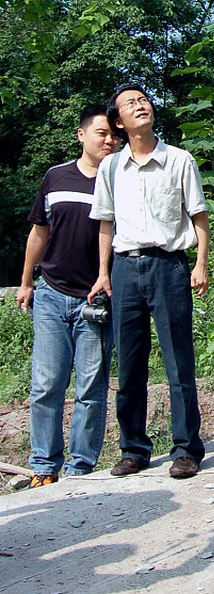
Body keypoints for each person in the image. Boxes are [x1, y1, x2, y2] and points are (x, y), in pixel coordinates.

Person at [89, 83, 210, 480]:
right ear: (119, 122)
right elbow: (106, 223)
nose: (140, 106)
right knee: (129, 364)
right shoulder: (110, 168)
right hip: (125, 269)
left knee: (178, 360)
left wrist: (200, 265)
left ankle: (186, 449)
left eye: (143, 100)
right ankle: (134, 448)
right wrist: (103, 273)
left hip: (168, 267)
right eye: (129, 104)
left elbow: (199, 218)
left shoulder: (178, 160)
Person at [16, 105, 121, 485]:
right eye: (101, 133)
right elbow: (39, 233)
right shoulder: (55, 177)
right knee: (46, 384)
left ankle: (80, 468)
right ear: (81, 135)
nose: (109, 140)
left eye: (114, 135)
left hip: (96, 299)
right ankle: (44, 466)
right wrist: (26, 281)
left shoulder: (119, 181)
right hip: (50, 294)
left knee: (91, 388)